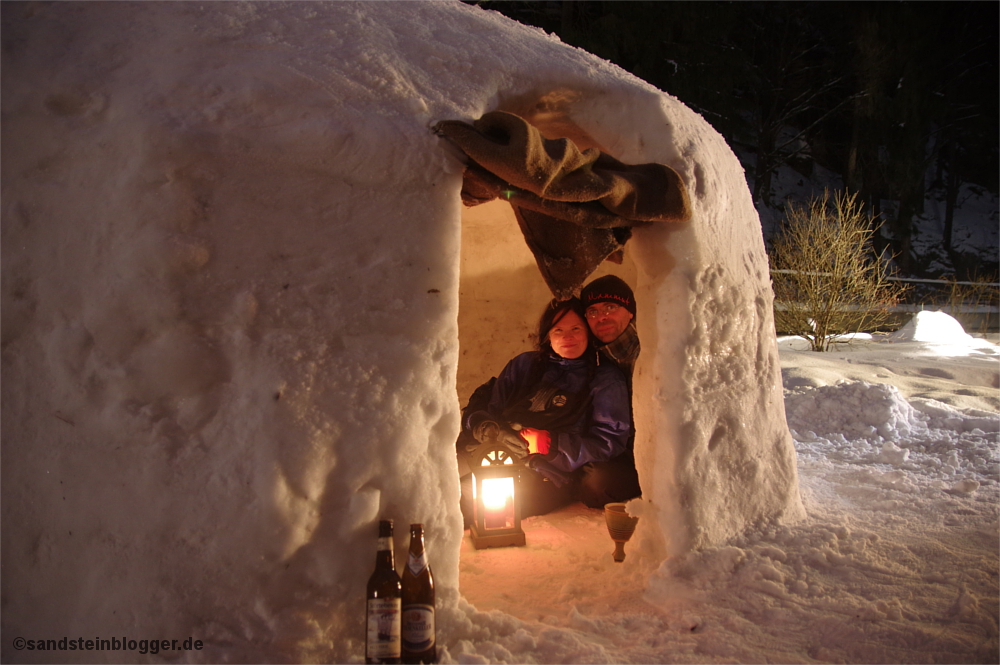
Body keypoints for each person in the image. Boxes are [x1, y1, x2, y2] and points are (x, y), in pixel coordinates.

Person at [457, 298, 632, 522]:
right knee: (438, 480)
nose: (567, 337)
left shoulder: (604, 379)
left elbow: (608, 442)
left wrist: (551, 444)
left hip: (546, 474)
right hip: (496, 454)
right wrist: (491, 429)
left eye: (576, 329)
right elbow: (493, 405)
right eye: (558, 330)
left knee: (466, 503)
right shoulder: (525, 364)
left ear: (588, 332)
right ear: (548, 335)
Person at [575, 275, 643, 506]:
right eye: (592, 311)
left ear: (630, 311)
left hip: (649, 457)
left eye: (610, 307)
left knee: (596, 484)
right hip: (617, 452)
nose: (601, 317)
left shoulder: (648, 352)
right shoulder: (595, 356)